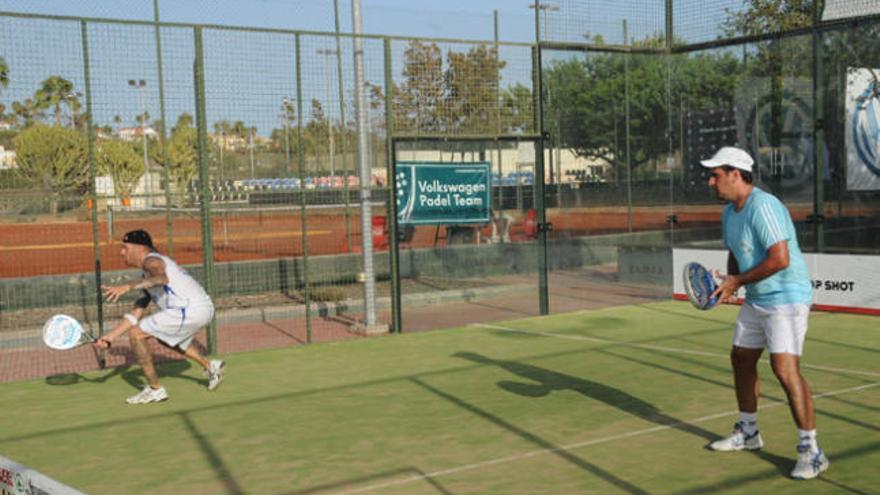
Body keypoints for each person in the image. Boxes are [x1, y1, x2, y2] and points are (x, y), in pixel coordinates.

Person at [701, 146, 828, 480]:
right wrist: (732, 284)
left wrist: (738, 280)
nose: (711, 182)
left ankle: (811, 450)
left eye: (715, 175)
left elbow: (780, 258)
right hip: (757, 297)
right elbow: (734, 252)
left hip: (787, 297)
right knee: (741, 358)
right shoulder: (730, 212)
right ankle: (749, 432)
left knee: (784, 369)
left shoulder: (764, 206)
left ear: (735, 174)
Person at [94, 229, 225, 404]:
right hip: (200, 309)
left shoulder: (152, 260)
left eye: (125, 247)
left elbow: (162, 279)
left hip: (190, 309)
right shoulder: (145, 275)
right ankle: (210, 366)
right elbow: (136, 313)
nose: (122, 252)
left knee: (136, 334)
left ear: (139, 248)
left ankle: (155, 390)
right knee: (163, 337)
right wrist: (111, 337)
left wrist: (128, 286)